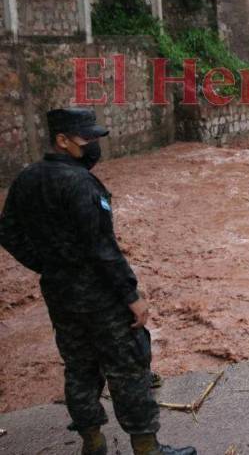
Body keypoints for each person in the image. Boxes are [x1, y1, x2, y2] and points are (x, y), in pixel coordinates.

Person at [0, 108, 195, 455]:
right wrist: (131, 294)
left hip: (59, 292)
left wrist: (45, 263)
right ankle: (147, 448)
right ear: (62, 140)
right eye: (86, 139)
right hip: (100, 295)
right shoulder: (80, 183)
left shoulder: (27, 177)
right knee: (129, 367)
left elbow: (8, 231)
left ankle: (93, 443)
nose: (92, 146)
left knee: (79, 366)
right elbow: (102, 247)